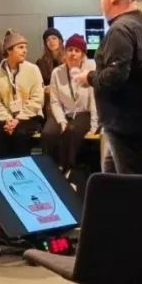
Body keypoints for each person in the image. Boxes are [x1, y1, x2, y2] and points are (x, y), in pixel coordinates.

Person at [77, 0, 142, 175]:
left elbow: (115, 75)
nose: (101, 3)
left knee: (132, 179)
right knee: (111, 175)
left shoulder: (120, 30)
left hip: (125, 122)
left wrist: (89, 77)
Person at [43, 35, 98, 177]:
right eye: (70, 50)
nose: (73, 54)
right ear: (65, 52)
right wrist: (61, 121)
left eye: (77, 51)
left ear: (83, 55)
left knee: (71, 130)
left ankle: (67, 168)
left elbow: (95, 100)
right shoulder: (57, 72)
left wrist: (94, 126)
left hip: (84, 113)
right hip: (64, 112)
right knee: (48, 133)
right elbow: (55, 102)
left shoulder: (90, 71)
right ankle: (50, 168)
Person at [0, 32, 44, 159]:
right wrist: (8, 119)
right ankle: (2, 168)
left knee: (20, 134)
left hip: (29, 116)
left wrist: (18, 119)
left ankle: (21, 169)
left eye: (25, 47)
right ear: (9, 50)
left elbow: (37, 99)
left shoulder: (33, 70)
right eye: (20, 47)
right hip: (5, 118)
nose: (25, 51)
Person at [35, 28, 65, 107]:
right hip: (49, 100)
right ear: (46, 44)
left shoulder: (68, 60)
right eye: (48, 40)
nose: (51, 42)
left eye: (54, 38)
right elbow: (38, 84)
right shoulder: (41, 62)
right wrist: (44, 89)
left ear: (60, 40)